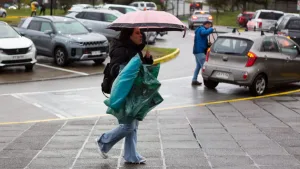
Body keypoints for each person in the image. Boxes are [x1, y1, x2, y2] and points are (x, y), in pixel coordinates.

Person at [95, 27, 153, 164]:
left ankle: (131, 155)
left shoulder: (134, 49)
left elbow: (139, 69)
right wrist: (127, 67)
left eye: (141, 33)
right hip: (124, 93)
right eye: (137, 33)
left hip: (133, 92)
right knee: (128, 126)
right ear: (129, 36)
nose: (141, 36)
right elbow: (115, 70)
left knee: (133, 125)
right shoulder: (122, 50)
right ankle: (103, 141)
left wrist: (147, 60)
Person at [192, 21, 214, 86]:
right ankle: (207, 82)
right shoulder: (202, 29)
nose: (209, 26)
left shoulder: (198, 29)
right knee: (204, 66)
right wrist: (212, 29)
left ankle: (194, 80)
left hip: (196, 50)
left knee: (198, 66)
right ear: (206, 25)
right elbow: (204, 33)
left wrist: (207, 43)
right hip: (200, 51)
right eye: (209, 25)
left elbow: (202, 37)